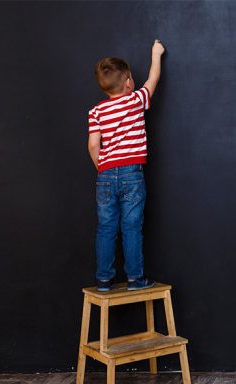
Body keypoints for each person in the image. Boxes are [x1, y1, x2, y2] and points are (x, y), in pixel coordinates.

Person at [87, 39, 166, 291]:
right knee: (132, 226)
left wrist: (102, 167)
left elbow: (92, 145)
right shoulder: (135, 101)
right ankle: (135, 279)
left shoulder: (96, 112)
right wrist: (156, 54)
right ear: (129, 82)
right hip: (132, 173)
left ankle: (103, 280)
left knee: (106, 227)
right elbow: (152, 81)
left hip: (105, 174)